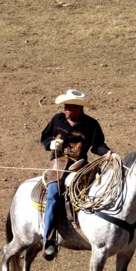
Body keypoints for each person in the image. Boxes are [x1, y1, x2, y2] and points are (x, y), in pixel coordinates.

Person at [40, 89, 111, 260]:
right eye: (64, 106)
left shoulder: (91, 125)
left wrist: (108, 153)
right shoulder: (57, 120)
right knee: (54, 195)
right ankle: (48, 239)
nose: (64, 109)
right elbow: (44, 137)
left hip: (80, 165)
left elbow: (97, 145)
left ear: (78, 108)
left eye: (67, 106)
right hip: (59, 163)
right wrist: (51, 144)